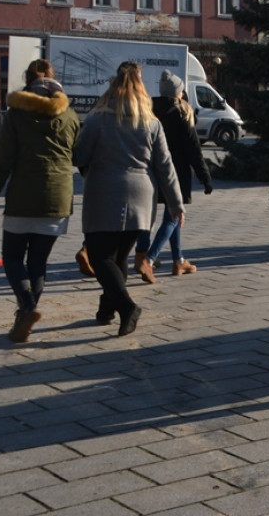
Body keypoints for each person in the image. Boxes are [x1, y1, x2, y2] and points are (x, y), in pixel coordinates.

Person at [73, 61, 184, 337]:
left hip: (104, 193)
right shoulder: (151, 123)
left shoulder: (98, 119)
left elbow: (79, 156)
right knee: (119, 257)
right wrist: (176, 204)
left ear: (112, 90)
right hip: (142, 196)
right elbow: (165, 165)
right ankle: (106, 309)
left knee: (101, 258)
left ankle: (126, 307)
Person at [0, 60, 80, 343]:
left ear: (27, 83)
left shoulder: (16, 115)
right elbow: (79, 155)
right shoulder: (70, 116)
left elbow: (3, 163)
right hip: (58, 198)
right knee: (38, 263)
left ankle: (26, 307)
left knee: (12, 257)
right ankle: (26, 313)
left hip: (23, 195)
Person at [133, 70, 213, 280]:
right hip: (176, 173)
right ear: (178, 92)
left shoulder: (148, 110)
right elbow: (193, 151)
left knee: (154, 217)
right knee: (173, 216)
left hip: (151, 171)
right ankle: (148, 260)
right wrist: (205, 177)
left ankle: (178, 261)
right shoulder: (181, 113)